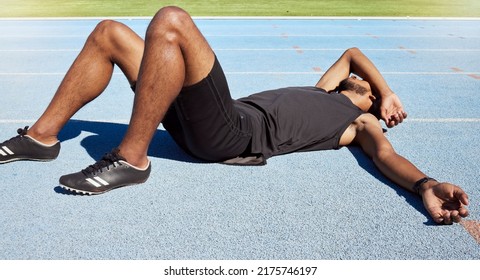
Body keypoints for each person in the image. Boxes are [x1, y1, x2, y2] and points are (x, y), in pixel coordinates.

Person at [0, 6, 469, 224]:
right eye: (357, 81)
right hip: (212, 117)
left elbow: (386, 155)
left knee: (173, 21)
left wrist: (426, 185)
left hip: (233, 135)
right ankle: (42, 138)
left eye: (363, 88)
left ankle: (132, 158)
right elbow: (352, 52)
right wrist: (384, 89)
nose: (358, 82)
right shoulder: (324, 89)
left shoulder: (356, 123)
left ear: (367, 106)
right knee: (110, 32)